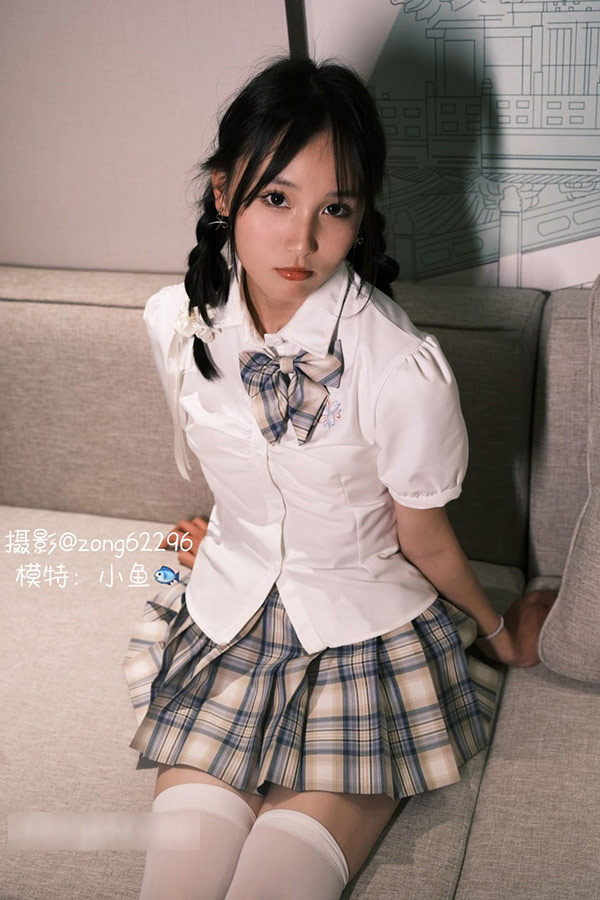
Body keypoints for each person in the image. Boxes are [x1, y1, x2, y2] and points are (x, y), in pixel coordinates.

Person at [122, 56, 557, 900]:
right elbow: (244, 466)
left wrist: (493, 628)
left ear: (362, 215)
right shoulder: (174, 322)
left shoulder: (400, 367)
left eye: (335, 209)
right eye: (276, 199)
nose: (302, 242)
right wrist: (230, 525)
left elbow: (423, 537)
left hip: (362, 632)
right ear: (224, 193)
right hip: (228, 618)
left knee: (273, 883)